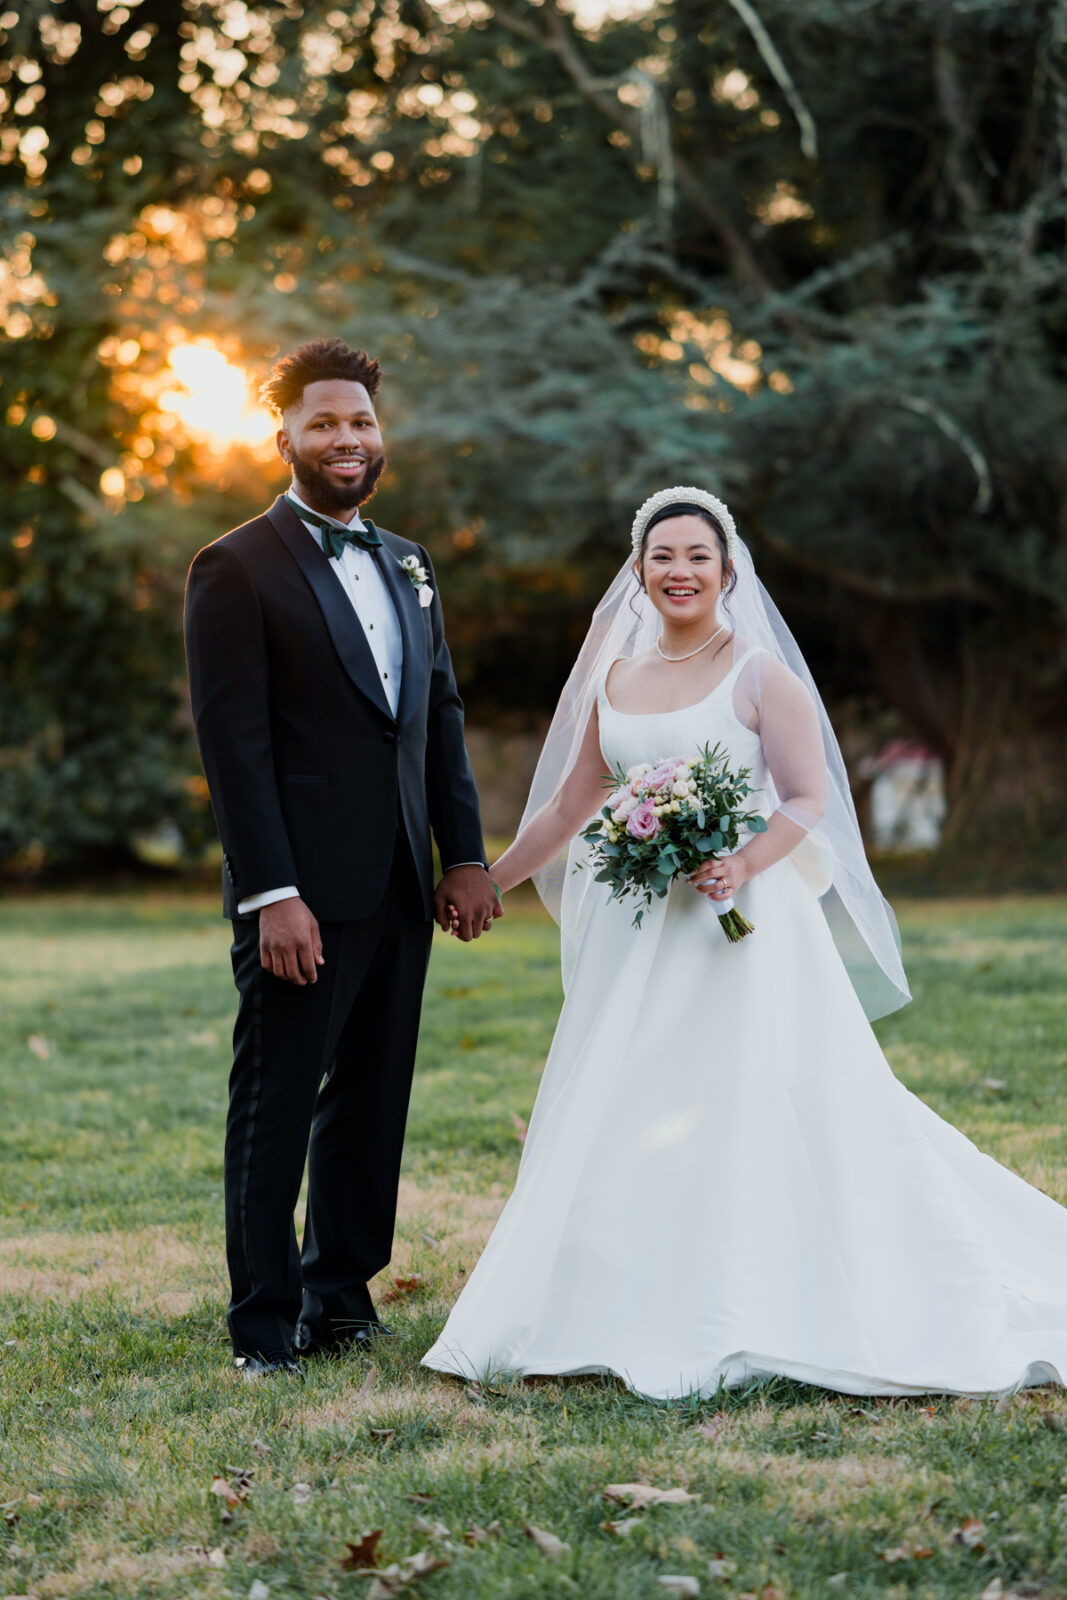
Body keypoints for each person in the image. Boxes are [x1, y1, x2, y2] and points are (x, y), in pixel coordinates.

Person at [424, 485, 1067, 1399]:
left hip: (743, 926)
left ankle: (752, 1293)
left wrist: (739, 860)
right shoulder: (615, 678)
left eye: (696, 557)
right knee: (628, 1084)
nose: (678, 572)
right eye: (661, 558)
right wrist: (493, 873)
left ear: (727, 570)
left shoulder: (762, 676)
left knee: (749, 1086)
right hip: (638, 925)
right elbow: (572, 803)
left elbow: (806, 800)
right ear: (638, 574)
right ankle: (609, 1296)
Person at [185, 337, 500, 1377]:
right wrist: (272, 891)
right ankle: (264, 1320)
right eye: (323, 422)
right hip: (300, 895)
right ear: (283, 436)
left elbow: (436, 715)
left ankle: (341, 1294)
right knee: (276, 1106)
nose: (346, 439)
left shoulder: (408, 560)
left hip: (403, 883)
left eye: (360, 421)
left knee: (371, 1099)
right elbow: (234, 747)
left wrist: (463, 853)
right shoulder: (233, 567)